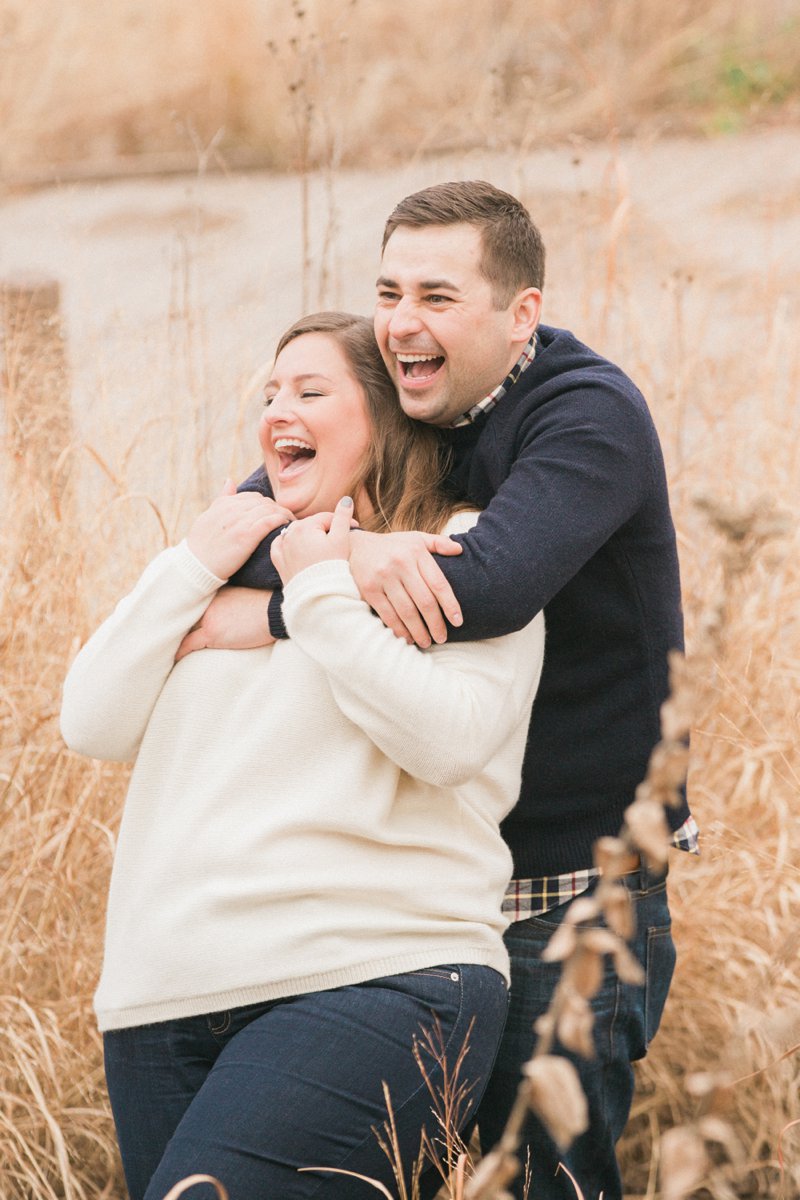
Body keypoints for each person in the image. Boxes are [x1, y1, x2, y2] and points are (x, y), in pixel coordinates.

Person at [193, 182, 697, 1200]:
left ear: (519, 315)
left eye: (436, 295)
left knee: (543, 1182)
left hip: (567, 889)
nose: (400, 323)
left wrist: (296, 603)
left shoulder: (584, 413)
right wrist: (351, 552)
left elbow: (488, 588)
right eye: (387, 291)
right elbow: (241, 530)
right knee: (388, 1177)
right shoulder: (391, 388)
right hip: (410, 896)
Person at [60, 312, 546, 1200]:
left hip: (373, 975)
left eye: (311, 391)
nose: (278, 410)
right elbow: (91, 721)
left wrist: (319, 591)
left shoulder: (459, 554)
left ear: (391, 416)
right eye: (271, 392)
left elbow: (451, 741)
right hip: (162, 998)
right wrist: (190, 562)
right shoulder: (215, 570)